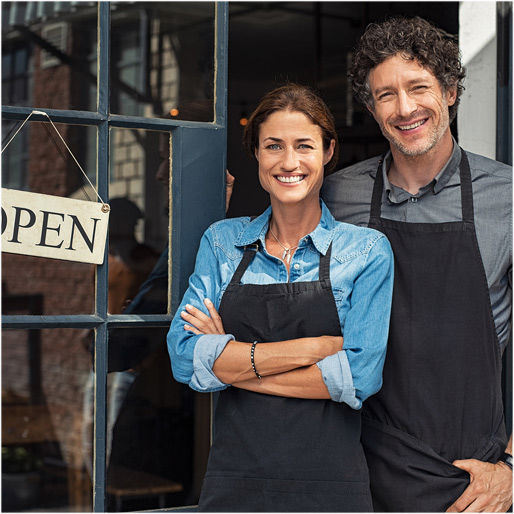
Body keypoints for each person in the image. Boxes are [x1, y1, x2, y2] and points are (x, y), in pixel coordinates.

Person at [167, 83, 394, 512]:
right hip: (235, 481)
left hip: (330, 486)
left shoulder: (365, 251)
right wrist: (313, 350)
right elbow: (183, 357)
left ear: (328, 151)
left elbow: (360, 377)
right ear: (256, 153)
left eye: (304, 146)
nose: (289, 162)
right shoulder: (222, 243)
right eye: (273, 146)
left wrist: (230, 363)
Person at [320, 16, 513, 512]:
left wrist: (511, 469)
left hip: (469, 482)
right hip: (355, 468)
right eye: (386, 95)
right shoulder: (337, 195)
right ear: (371, 107)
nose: (405, 108)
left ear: (449, 91)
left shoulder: (507, 198)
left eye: (419, 87)